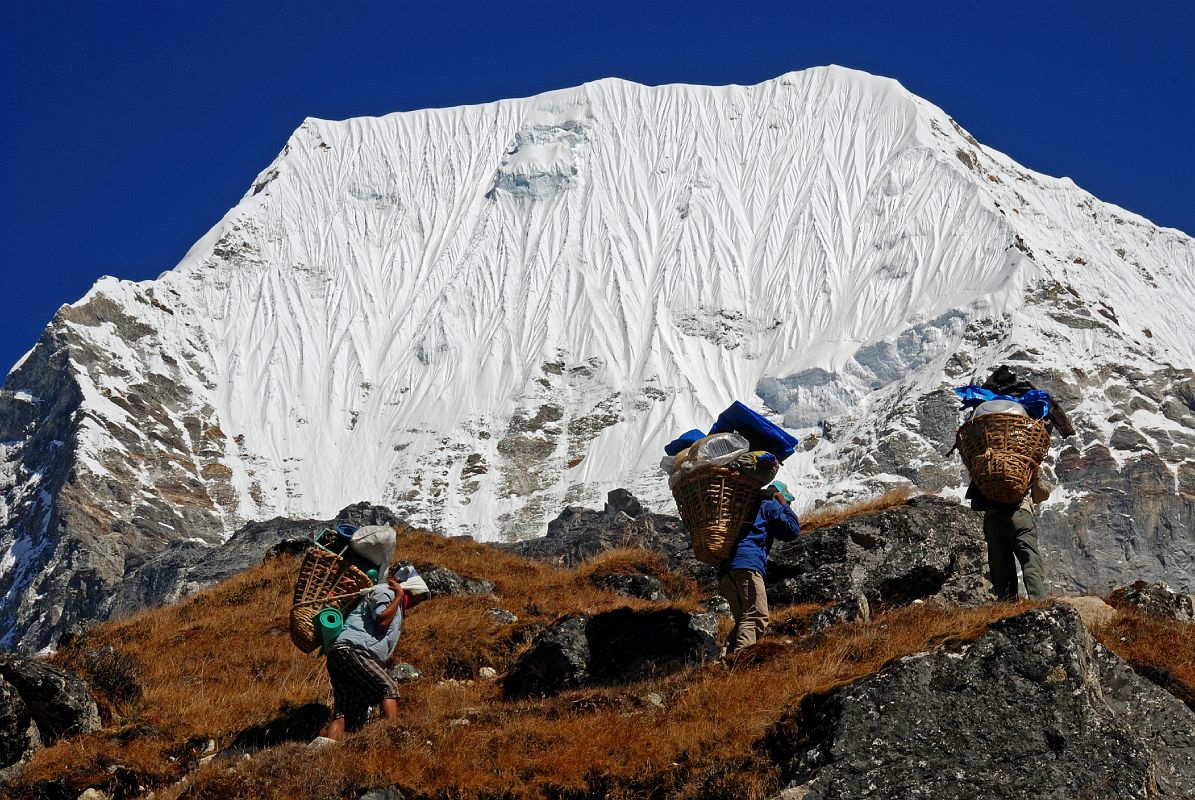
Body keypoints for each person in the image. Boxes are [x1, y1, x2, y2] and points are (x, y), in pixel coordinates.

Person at [319, 564, 430, 741]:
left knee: (344, 709)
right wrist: (399, 595)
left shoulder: (394, 603)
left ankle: (329, 748)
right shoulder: (386, 593)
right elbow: (382, 621)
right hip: (354, 650)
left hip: (341, 653)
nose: (417, 603)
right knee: (388, 688)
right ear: (411, 590)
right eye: (419, 597)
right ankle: (390, 738)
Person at [719, 481, 801, 654]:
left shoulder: (745, 505)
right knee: (756, 616)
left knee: (744, 619)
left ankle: (724, 662)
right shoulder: (770, 504)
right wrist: (784, 506)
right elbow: (792, 530)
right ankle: (742, 663)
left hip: (726, 570)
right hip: (748, 564)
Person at [968, 471, 1052, 601]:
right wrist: (1037, 478)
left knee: (1001, 566)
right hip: (1020, 514)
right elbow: (1040, 495)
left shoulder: (986, 464)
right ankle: (1039, 603)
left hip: (993, 519)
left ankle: (1007, 607)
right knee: (1030, 559)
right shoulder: (1024, 461)